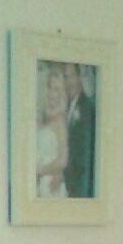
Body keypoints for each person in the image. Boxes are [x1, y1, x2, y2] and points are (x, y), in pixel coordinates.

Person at [62, 64, 96, 198]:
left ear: (79, 77)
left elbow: (85, 156)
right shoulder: (66, 106)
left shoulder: (87, 107)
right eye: (66, 77)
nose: (68, 82)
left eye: (72, 76)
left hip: (78, 189)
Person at [36, 66, 69, 198]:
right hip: (39, 183)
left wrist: (39, 171)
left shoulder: (60, 121)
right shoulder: (43, 117)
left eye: (56, 89)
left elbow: (63, 160)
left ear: (61, 93)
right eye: (50, 87)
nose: (51, 93)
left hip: (51, 185)